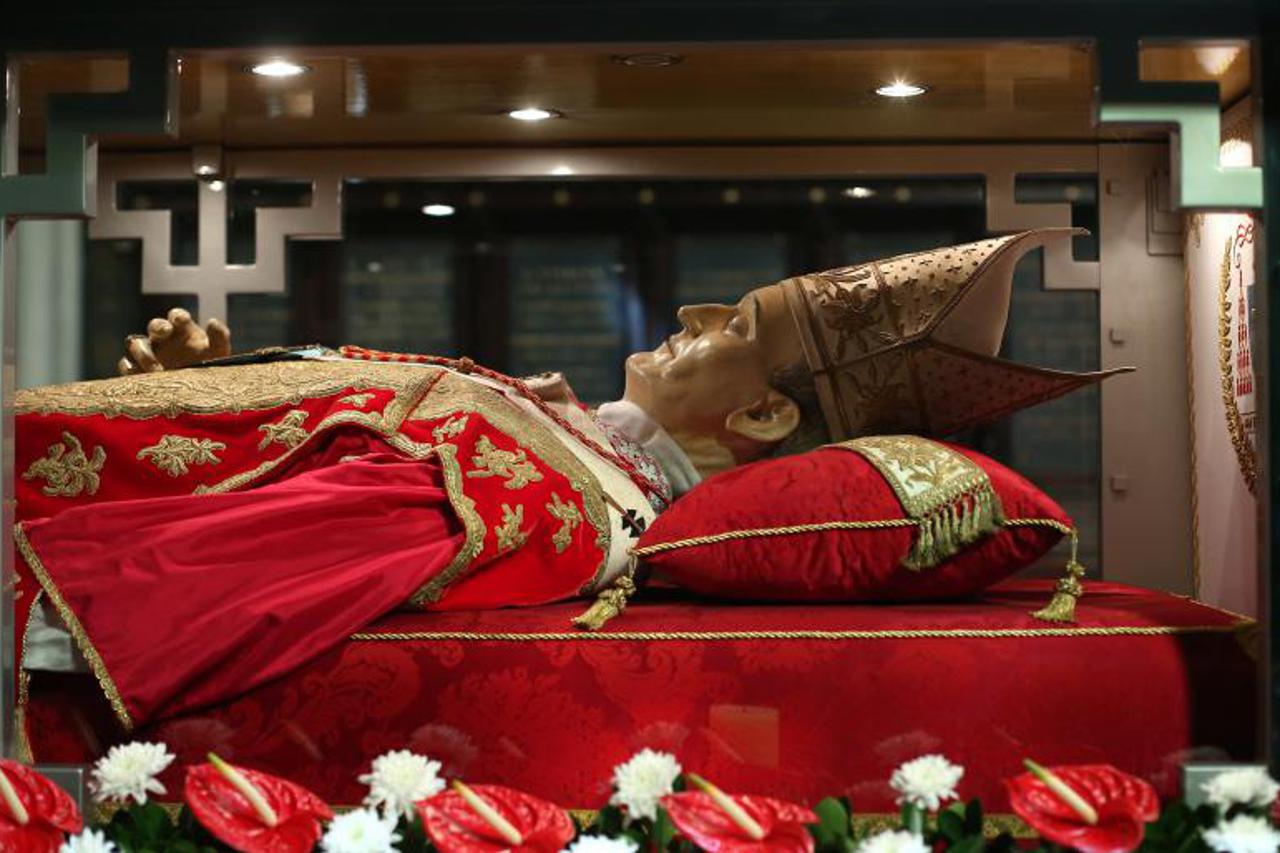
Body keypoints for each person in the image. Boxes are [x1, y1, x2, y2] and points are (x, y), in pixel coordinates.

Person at [16, 228, 1123, 731]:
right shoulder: (567, 445)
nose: (691, 313)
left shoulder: (562, 495)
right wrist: (209, 399)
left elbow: (258, 556)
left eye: (735, 325)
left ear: (762, 416)